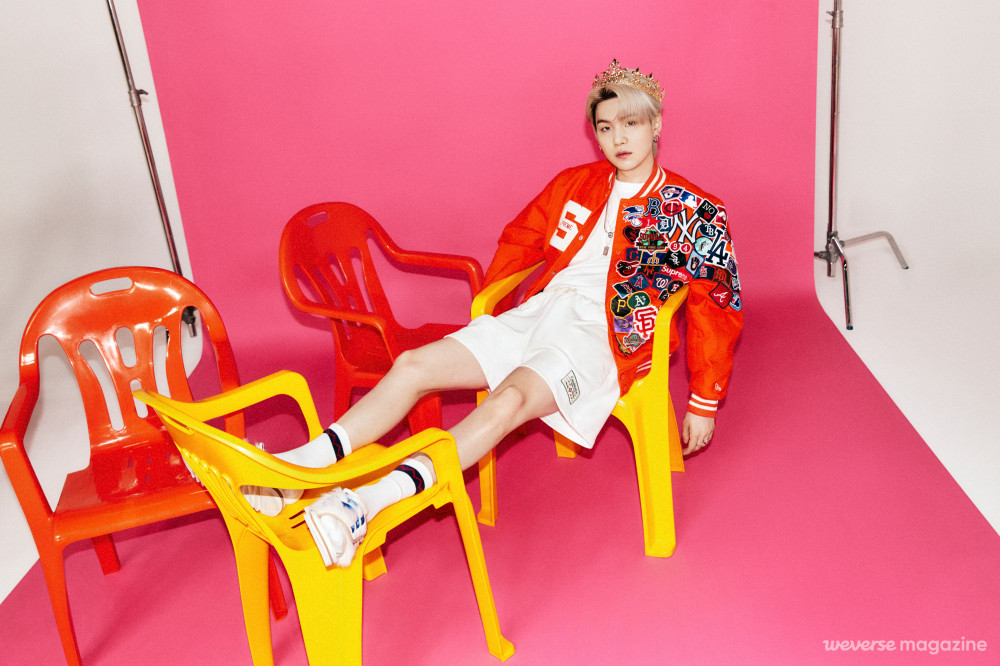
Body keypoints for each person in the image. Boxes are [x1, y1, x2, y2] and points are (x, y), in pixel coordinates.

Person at [254, 60, 743, 568]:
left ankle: (365, 504)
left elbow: (717, 304)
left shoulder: (696, 211)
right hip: (540, 312)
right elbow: (520, 238)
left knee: (508, 400)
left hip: (605, 336)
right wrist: (494, 310)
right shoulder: (575, 184)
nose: (618, 138)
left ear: (655, 123)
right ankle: (296, 471)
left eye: (631, 123)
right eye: (605, 127)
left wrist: (704, 402)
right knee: (413, 365)